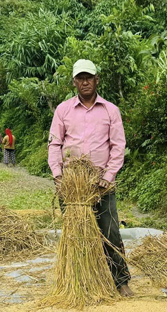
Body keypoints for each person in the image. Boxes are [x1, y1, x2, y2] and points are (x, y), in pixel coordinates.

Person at [48, 59, 133, 297]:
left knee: (110, 231)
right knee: (75, 232)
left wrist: (108, 176)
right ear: (74, 82)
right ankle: (78, 280)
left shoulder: (110, 110)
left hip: (101, 184)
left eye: (89, 77)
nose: (85, 82)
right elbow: (55, 144)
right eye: (80, 78)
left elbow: (118, 146)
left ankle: (120, 280)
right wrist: (58, 175)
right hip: (73, 185)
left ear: (97, 80)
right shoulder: (63, 110)